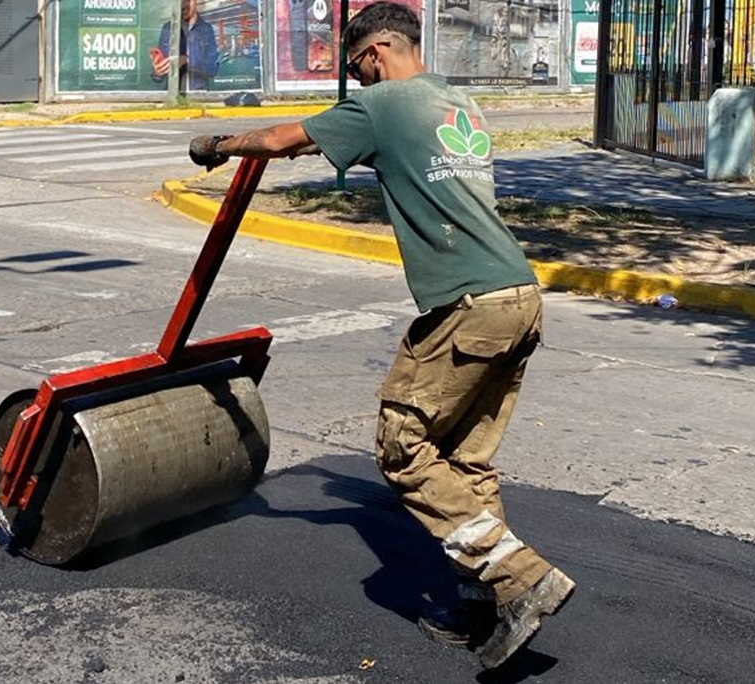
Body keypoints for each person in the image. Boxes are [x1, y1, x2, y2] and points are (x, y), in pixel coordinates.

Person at [186, 1, 574, 671]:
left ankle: (518, 577)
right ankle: (483, 599)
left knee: (402, 444)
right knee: (465, 459)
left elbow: (285, 140)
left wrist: (217, 146)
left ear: (375, 54)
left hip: (470, 303)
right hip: (519, 294)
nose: (359, 84)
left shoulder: (386, 101)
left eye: (357, 71)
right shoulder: (453, 103)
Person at [151, 0, 220, 91]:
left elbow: (213, 69)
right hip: (173, 98)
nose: (183, 5)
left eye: (187, 0)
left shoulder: (206, 29)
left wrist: (187, 60)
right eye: (180, 1)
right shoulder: (168, 29)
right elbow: (158, 77)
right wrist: (157, 72)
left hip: (198, 98)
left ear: (196, 1)